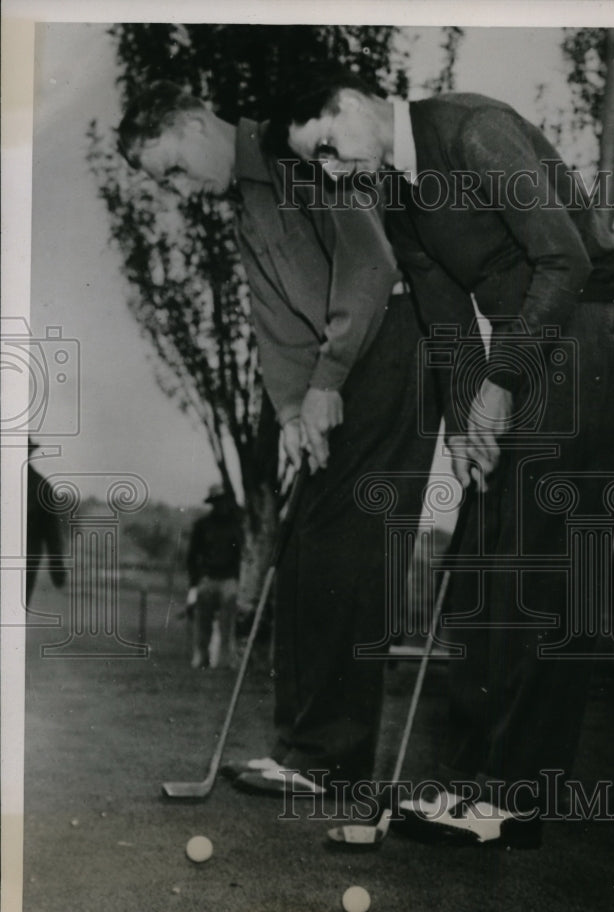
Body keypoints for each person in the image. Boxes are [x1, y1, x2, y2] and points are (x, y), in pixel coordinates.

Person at [278, 66, 614, 844]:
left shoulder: (472, 130)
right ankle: (478, 786)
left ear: (353, 107)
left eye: (332, 149)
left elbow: (565, 259)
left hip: (580, 344)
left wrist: (501, 382)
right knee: (479, 569)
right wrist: (464, 425)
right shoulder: (401, 193)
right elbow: (445, 320)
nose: (334, 171)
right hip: (525, 353)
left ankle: (514, 799)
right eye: (320, 165)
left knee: (539, 578)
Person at [117, 82, 439, 791]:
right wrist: (294, 413)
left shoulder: (294, 152)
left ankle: (331, 760)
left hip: (393, 351)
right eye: (161, 182)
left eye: (172, 167)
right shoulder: (244, 203)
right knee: (308, 555)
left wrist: (325, 384)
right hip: (343, 369)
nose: (177, 190)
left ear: (198, 122)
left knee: (351, 557)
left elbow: (370, 265)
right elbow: (276, 322)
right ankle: (303, 752)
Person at [186, 483, 244, 670]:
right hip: (209, 577)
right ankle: (201, 657)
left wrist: (239, 579)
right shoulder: (202, 526)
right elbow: (192, 556)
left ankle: (227, 659)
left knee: (229, 619)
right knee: (202, 619)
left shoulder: (236, 526)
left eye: (222, 501)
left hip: (229, 579)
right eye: (216, 502)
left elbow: (243, 555)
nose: (220, 506)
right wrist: (195, 582)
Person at [26, 440, 68, 605]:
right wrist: (58, 572)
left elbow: (52, 535)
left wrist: (57, 570)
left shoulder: (41, 488)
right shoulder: (41, 486)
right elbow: (53, 536)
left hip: (25, 563)